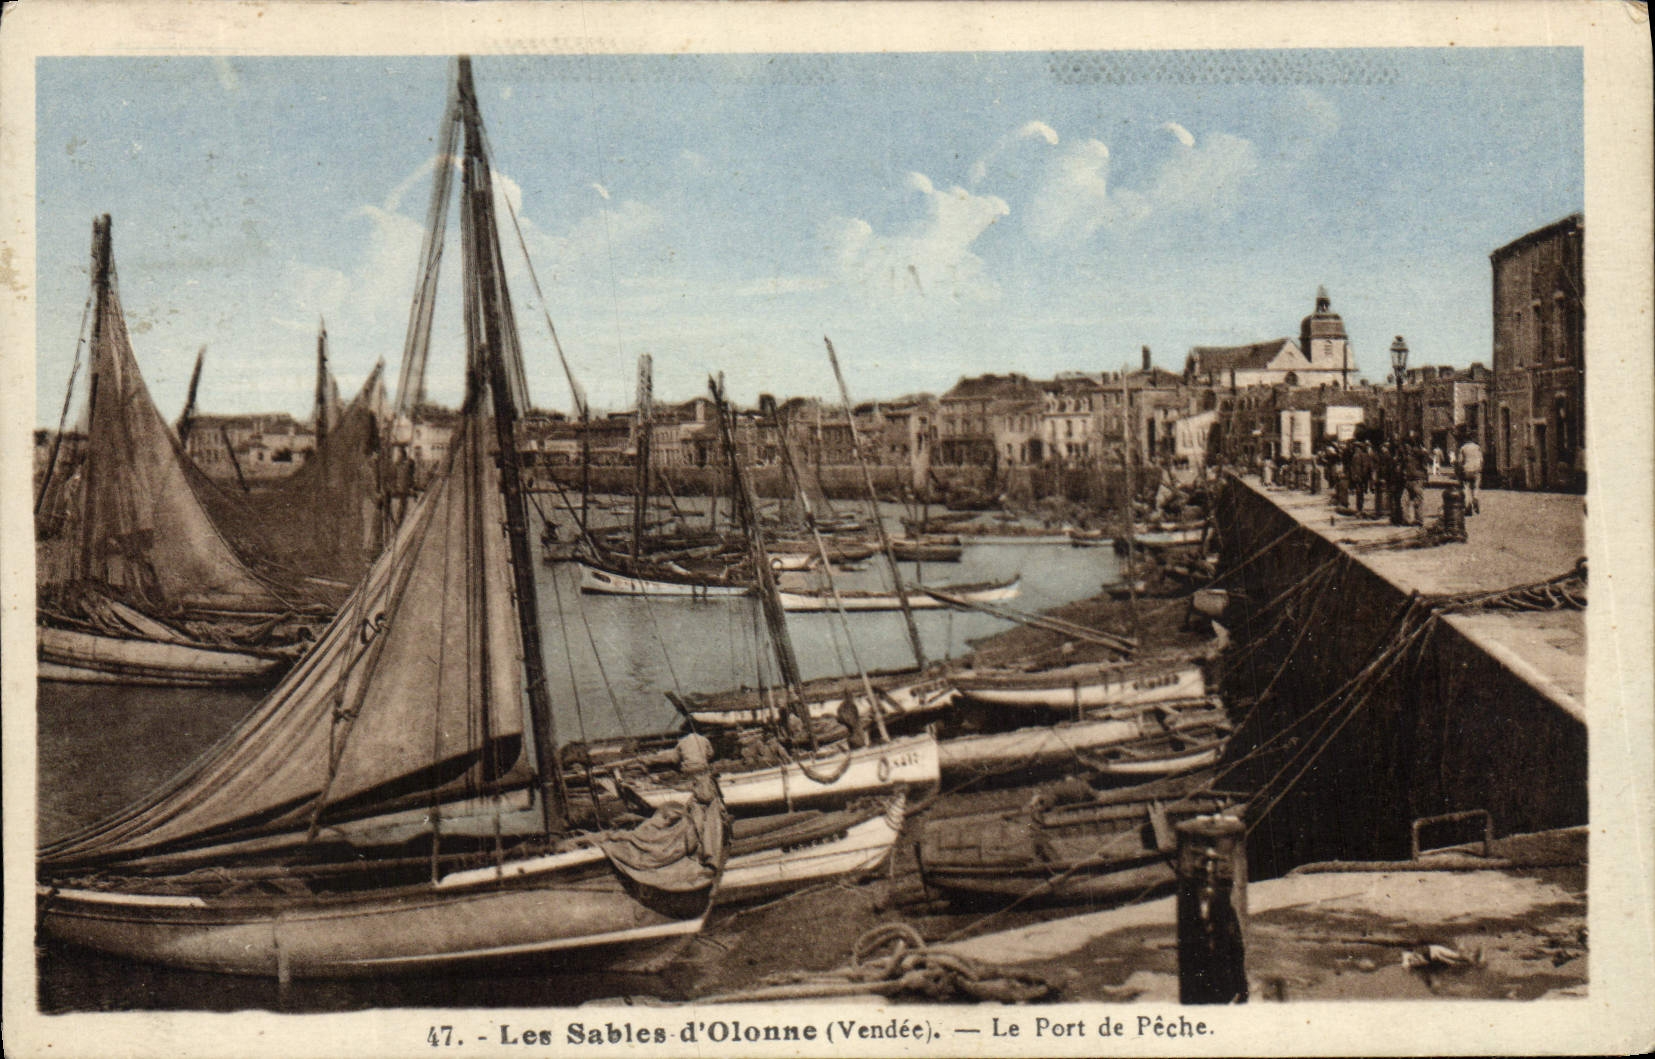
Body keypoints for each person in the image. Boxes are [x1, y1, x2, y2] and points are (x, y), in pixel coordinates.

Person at [1401, 433, 1429, 527]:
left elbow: (1425, 465)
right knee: (1405, 500)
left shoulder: (1417, 453)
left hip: (1417, 479)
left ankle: (1418, 519)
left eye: (1406, 445)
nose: (1405, 447)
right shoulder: (1408, 455)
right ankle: (1407, 519)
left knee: (1417, 500)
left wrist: (1425, 478)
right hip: (1409, 479)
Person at [1456, 436, 1484, 515]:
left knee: (1466, 488)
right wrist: (1480, 468)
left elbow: (1460, 461)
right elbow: (1481, 460)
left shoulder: (1463, 448)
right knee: (1475, 487)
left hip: (1466, 470)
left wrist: (1459, 471)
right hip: (1476, 470)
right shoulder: (1477, 447)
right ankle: (1475, 498)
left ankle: (1468, 505)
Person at [1349, 440, 1374, 516]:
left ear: (1359, 448)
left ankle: (1359, 508)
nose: (1355, 449)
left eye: (1356, 447)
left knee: (1359, 492)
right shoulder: (1361, 455)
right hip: (1360, 476)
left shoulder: (1358, 455)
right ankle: (1360, 508)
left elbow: (1363, 467)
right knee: (1360, 492)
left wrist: (1358, 476)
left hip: (1359, 476)